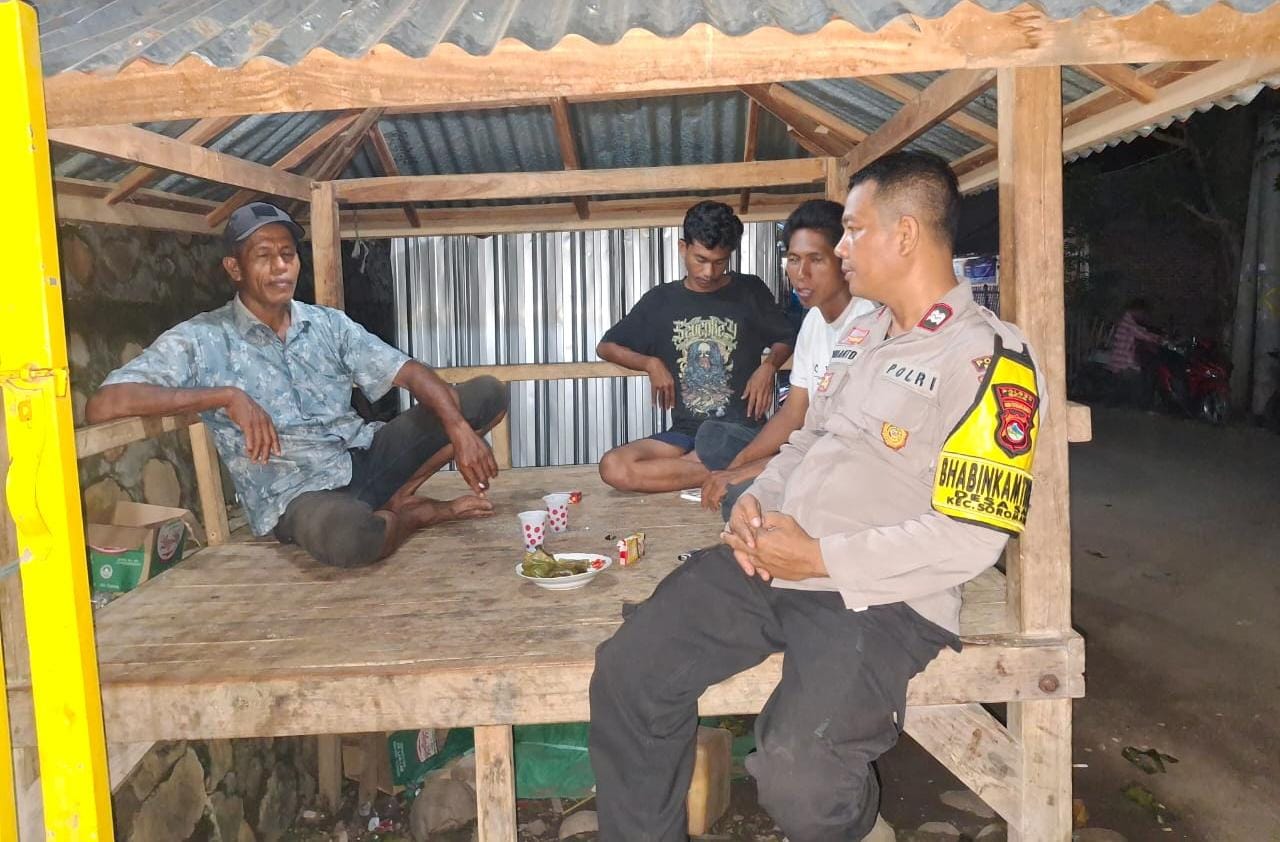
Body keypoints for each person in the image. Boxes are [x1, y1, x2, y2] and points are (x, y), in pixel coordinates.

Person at [589, 152, 1045, 841]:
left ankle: (859, 831)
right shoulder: (861, 333)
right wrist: (758, 500)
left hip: (877, 597)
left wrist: (819, 558)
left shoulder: (986, 359)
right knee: (630, 671)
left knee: (800, 775)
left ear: (905, 234)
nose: (842, 248)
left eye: (854, 230)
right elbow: (806, 440)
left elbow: (973, 537)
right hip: (774, 557)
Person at [85, 202, 508, 569]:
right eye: (263, 256)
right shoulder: (202, 338)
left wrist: (458, 429)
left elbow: (410, 371)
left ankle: (396, 498)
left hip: (365, 458)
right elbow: (104, 404)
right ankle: (414, 516)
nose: (280, 266)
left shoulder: (326, 324)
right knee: (349, 540)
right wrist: (224, 396)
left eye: (287, 254)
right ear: (234, 268)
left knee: (485, 394)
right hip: (296, 493)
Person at [596, 200, 796, 493]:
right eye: (700, 259)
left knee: (699, 454)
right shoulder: (661, 301)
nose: (708, 272)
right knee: (613, 466)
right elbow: (606, 347)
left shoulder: (749, 291)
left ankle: (725, 464)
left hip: (738, 431)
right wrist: (650, 363)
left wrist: (769, 366)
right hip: (685, 433)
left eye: (720, 262)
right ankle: (728, 470)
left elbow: (786, 337)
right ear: (683, 247)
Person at [696, 199, 877, 519]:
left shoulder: (868, 324)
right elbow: (794, 413)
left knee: (742, 497)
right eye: (793, 259)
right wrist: (737, 465)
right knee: (714, 439)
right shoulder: (814, 321)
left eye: (816, 259)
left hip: (849, 461)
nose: (801, 274)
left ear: (843, 259)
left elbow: (843, 444)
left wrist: (747, 472)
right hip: (810, 445)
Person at [1104, 297, 1161, 406]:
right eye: (1142, 313)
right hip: (1123, 362)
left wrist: (1154, 336)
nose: (1142, 316)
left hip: (1121, 360)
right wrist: (1158, 338)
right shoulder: (1127, 322)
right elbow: (1140, 333)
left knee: (1125, 384)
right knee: (1136, 380)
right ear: (1137, 310)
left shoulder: (1127, 320)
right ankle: (1137, 405)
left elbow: (1141, 331)